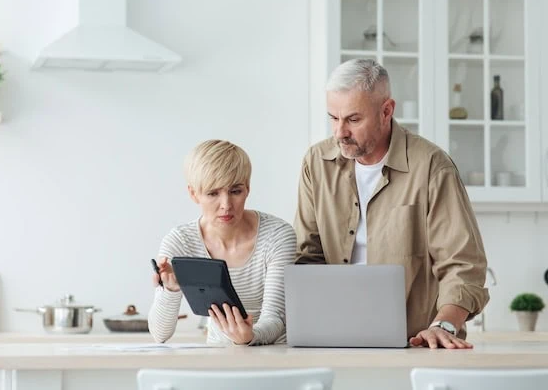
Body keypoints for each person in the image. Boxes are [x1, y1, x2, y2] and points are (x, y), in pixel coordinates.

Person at [294, 58, 489, 349]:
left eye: (353, 119)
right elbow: (307, 258)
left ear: (386, 111)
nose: (339, 132)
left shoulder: (432, 167)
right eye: (333, 118)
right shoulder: (316, 163)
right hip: (335, 340)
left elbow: (463, 265)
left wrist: (444, 325)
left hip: (417, 343)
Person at [148, 140, 296, 346]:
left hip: (274, 354)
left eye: (235, 191)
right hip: (219, 358)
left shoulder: (277, 235)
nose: (226, 205)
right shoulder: (181, 241)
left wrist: (250, 337)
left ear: (248, 189)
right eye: (213, 193)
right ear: (193, 194)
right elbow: (159, 334)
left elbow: (276, 317)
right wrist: (170, 290)